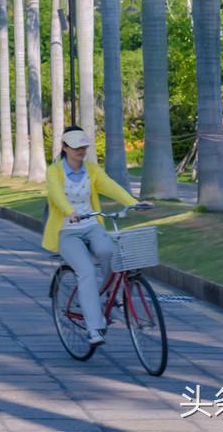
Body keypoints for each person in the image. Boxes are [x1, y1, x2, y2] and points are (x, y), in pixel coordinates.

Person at [41, 127, 145, 347]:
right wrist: (70, 211)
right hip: (67, 230)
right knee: (86, 271)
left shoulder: (92, 169)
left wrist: (133, 203)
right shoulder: (54, 171)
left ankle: (104, 297)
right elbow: (57, 195)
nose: (81, 151)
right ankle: (94, 328)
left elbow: (110, 186)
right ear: (65, 148)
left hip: (91, 225)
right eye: (75, 147)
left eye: (83, 146)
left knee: (110, 253)